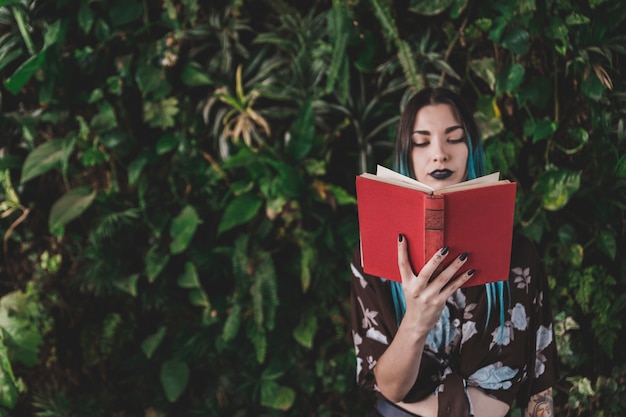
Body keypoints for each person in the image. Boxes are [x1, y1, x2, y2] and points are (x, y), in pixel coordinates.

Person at [350, 87, 558, 417]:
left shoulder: (519, 257)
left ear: (471, 147)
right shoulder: (373, 258)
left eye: (454, 137)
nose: (440, 154)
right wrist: (416, 322)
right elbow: (387, 386)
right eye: (422, 141)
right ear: (406, 153)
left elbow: (541, 378)